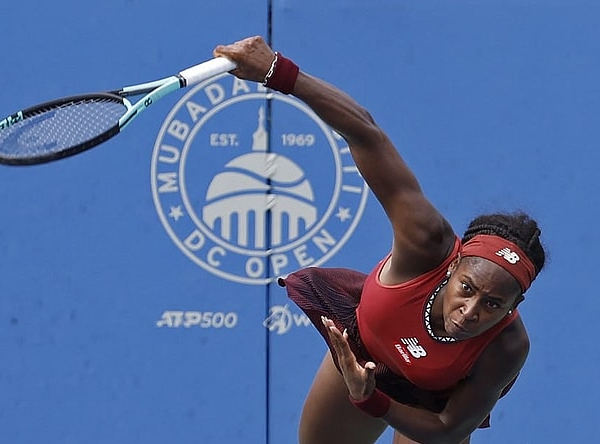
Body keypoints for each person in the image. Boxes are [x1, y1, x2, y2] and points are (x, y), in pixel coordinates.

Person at [214, 36, 547, 444]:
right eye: (468, 288)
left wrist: (373, 401)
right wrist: (275, 70)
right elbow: (365, 134)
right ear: (455, 264)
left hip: (435, 403)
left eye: (493, 305)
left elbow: (447, 429)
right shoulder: (425, 240)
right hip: (366, 351)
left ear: (515, 307)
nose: (470, 311)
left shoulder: (508, 347)